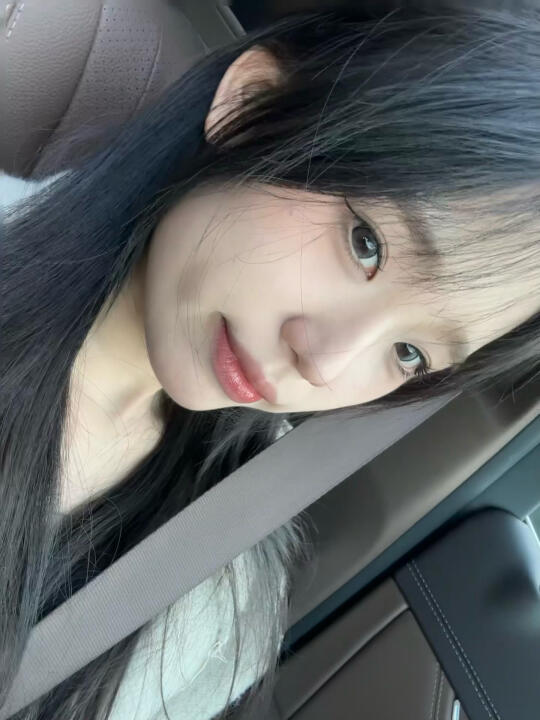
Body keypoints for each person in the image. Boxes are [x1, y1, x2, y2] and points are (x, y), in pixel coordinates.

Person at [1, 2, 539, 719]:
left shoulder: (217, 593)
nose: (324, 364)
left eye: (410, 354)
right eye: (366, 245)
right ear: (250, 105)